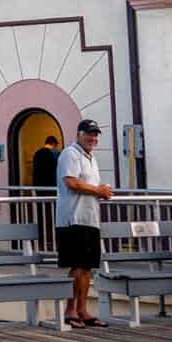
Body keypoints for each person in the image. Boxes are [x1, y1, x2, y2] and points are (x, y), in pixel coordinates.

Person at [57, 121, 114, 329]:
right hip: (73, 218)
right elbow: (71, 182)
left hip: (89, 219)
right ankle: (70, 310)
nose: (93, 138)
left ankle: (82, 309)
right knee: (77, 266)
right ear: (79, 134)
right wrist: (98, 191)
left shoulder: (91, 157)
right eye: (90, 134)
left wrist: (100, 191)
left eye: (96, 135)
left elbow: (85, 184)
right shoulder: (70, 154)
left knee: (87, 267)